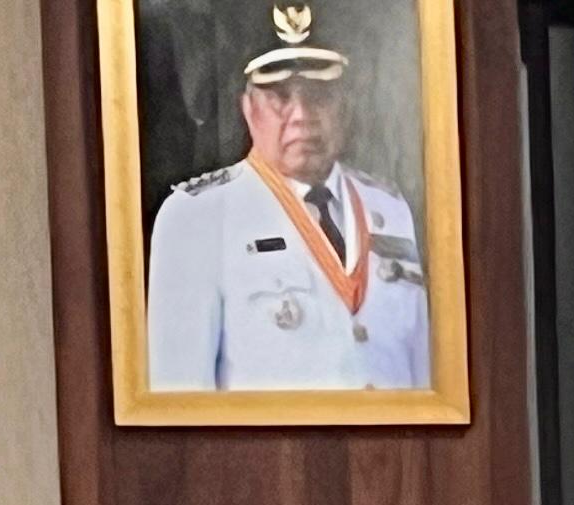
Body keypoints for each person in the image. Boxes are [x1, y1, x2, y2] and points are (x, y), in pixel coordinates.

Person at [146, 7, 435, 394]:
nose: (301, 115)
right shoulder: (196, 217)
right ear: (249, 109)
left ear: (345, 106)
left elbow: (423, 378)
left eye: (319, 95)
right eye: (280, 96)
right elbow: (179, 399)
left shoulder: (388, 208)